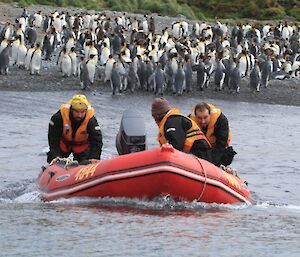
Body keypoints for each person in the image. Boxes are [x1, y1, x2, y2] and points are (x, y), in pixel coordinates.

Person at [151, 97, 212, 162]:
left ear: (157, 117)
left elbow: (176, 146)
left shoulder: (171, 122)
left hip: (200, 156)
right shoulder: (174, 120)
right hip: (197, 155)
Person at [47, 94, 103, 164]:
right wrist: (56, 156)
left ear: (86, 111)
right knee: (53, 160)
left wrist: (94, 157)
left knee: (86, 163)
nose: (79, 115)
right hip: (63, 145)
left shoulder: (91, 120)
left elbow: (97, 141)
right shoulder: (59, 117)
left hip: (81, 147)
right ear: (71, 110)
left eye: (82, 112)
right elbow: (53, 139)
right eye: (76, 112)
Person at [189, 102, 237, 166]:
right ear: (195, 116)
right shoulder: (189, 121)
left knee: (227, 154)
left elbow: (221, 144)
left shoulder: (220, 120)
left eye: (205, 117)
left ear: (210, 115)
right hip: (202, 149)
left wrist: (212, 163)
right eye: (199, 118)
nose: (203, 121)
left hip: (218, 148)